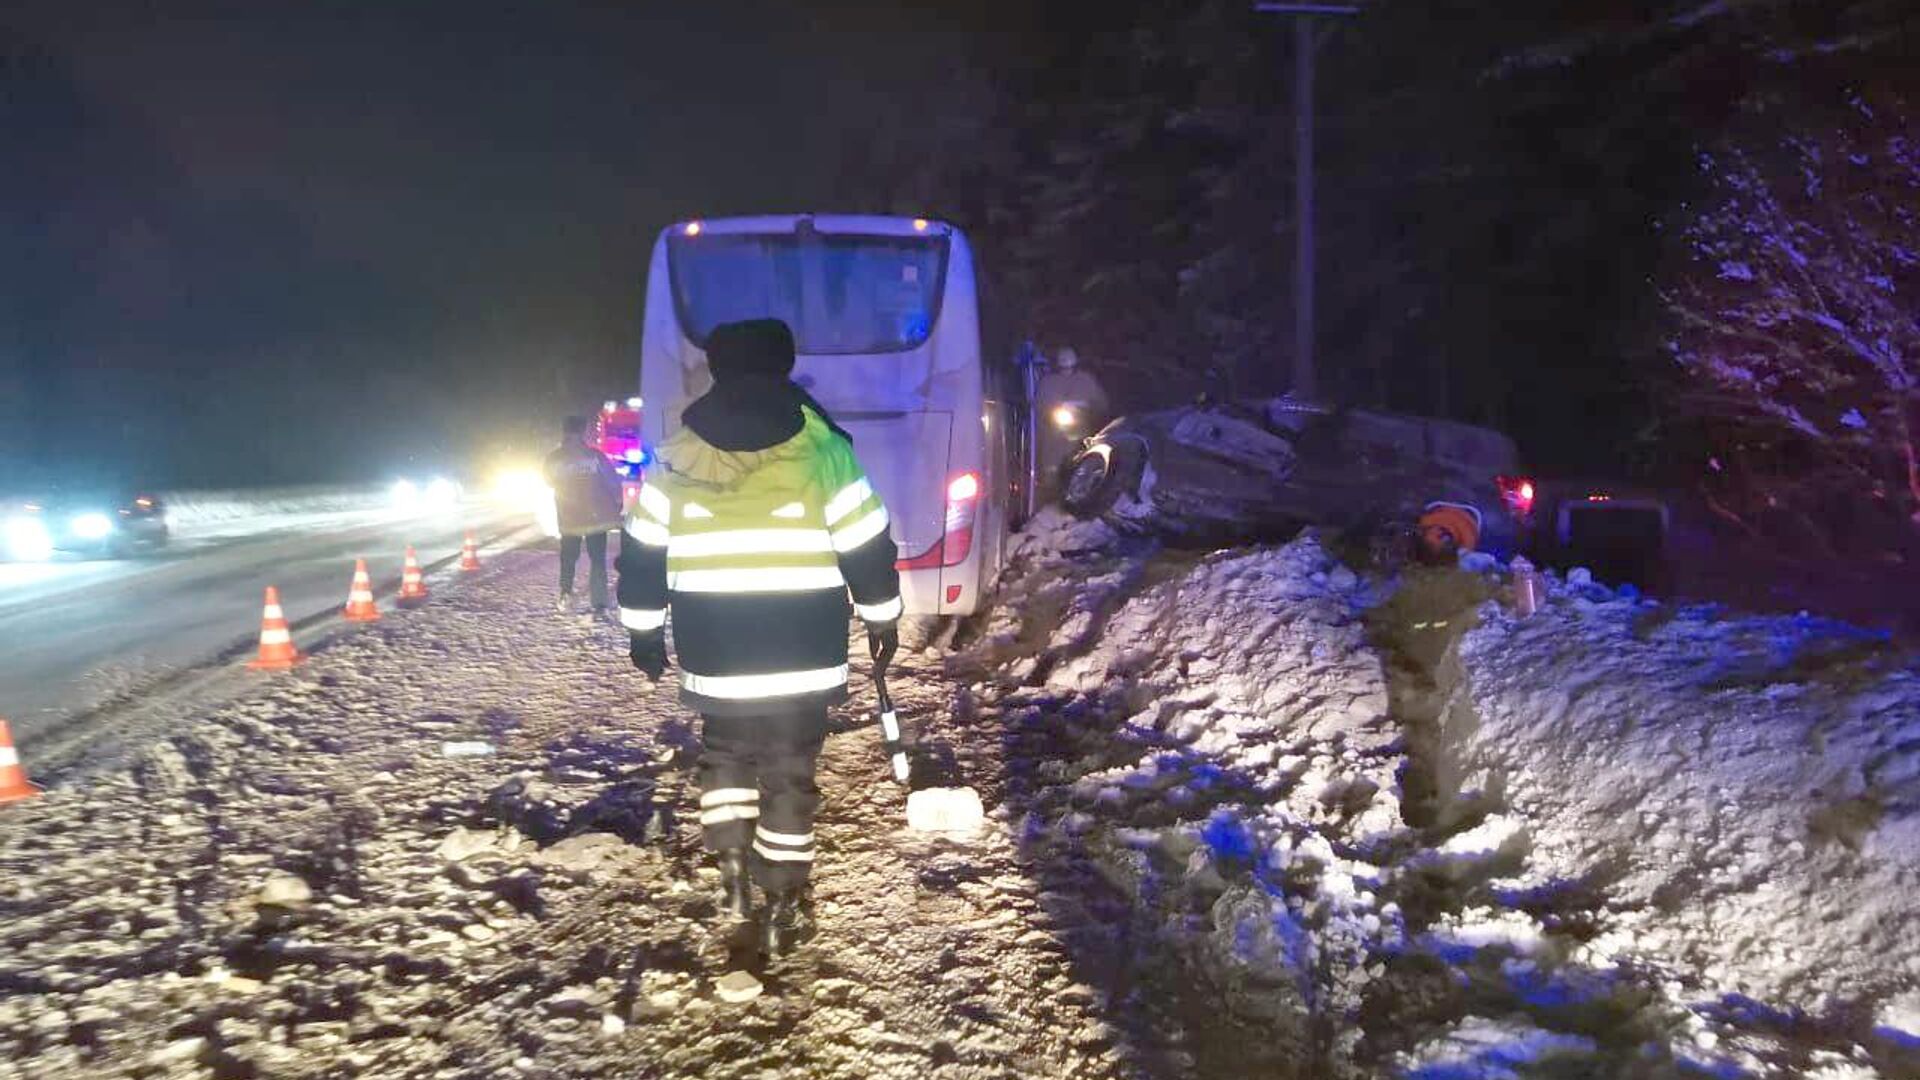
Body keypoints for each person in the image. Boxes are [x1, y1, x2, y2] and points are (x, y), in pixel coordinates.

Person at [617, 318, 902, 956]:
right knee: (789, 772)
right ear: (783, 366)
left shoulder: (677, 453)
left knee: (725, 755)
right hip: (801, 652)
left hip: (715, 652)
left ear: (716, 370)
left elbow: (640, 555)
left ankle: (731, 869)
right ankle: (781, 902)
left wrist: (643, 633)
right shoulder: (823, 449)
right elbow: (865, 543)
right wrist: (882, 617)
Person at [543, 414, 624, 614]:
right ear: (583, 431)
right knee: (597, 559)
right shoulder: (595, 456)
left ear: (564, 432)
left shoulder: (554, 458)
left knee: (569, 557)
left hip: (569, 516)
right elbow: (612, 481)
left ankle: (565, 594)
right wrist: (617, 501)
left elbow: (548, 480)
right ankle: (599, 601)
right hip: (596, 518)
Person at [1034, 346, 1111, 488]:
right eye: (1063, 368)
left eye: (1070, 367)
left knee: (1080, 467)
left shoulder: (1086, 381)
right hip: (1054, 435)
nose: (1066, 371)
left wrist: (1091, 413)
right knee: (1053, 467)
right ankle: (1052, 490)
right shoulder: (1048, 383)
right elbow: (1040, 406)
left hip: (1080, 434)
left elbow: (1101, 404)